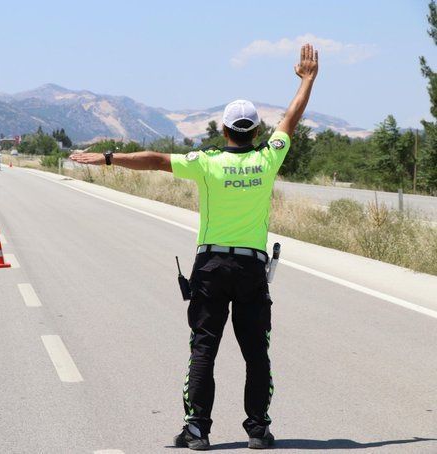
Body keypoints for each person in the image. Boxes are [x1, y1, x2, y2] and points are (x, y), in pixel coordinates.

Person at [70, 43, 319, 450]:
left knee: (204, 349)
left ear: (223, 131)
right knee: (256, 353)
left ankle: (198, 431)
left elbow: (153, 159)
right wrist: (308, 79)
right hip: (252, 270)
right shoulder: (269, 159)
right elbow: (291, 118)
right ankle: (258, 429)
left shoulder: (206, 162)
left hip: (211, 269)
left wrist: (108, 157)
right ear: (256, 132)